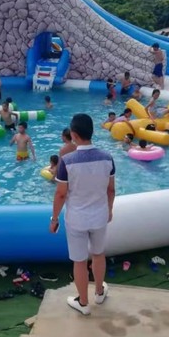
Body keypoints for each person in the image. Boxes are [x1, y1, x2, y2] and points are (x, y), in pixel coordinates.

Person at [51, 113, 115, 316]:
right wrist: (110, 209)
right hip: (100, 216)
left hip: (77, 218)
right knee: (98, 254)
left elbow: (61, 194)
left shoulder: (67, 161)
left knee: (79, 261)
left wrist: (54, 219)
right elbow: (111, 190)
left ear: (74, 135)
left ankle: (83, 302)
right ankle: (98, 292)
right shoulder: (107, 158)